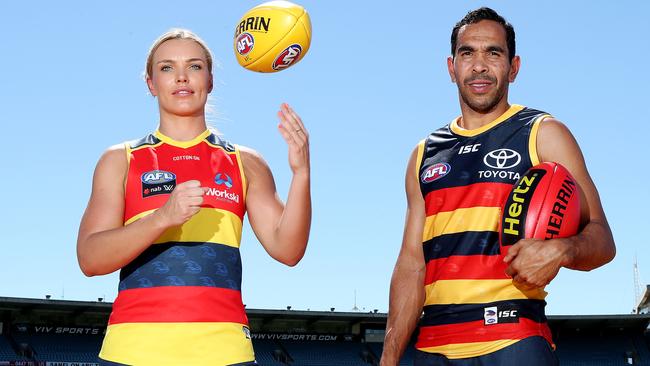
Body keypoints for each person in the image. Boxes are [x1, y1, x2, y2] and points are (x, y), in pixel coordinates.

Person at [380, 7, 615, 366]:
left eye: (493, 52)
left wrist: (563, 250)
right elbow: (412, 265)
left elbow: (602, 240)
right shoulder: (423, 153)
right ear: (451, 67)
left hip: (514, 341)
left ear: (514, 67)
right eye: (467, 53)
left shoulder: (543, 133)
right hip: (432, 350)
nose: (479, 65)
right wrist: (389, 358)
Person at [76, 28, 311, 365]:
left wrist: (301, 174)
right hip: (132, 350)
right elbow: (90, 258)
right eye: (167, 68)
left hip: (225, 351)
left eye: (195, 66)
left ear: (211, 80)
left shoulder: (246, 163)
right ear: (151, 83)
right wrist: (162, 218)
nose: (182, 77)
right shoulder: (121, 159)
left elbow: (288, 251)